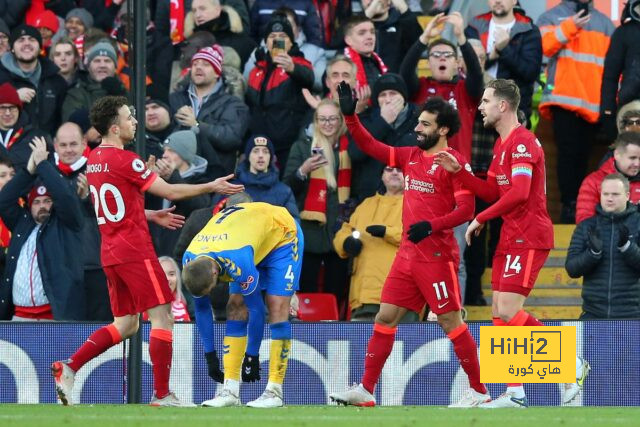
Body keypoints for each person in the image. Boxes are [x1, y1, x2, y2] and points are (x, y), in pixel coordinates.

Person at [50, 95, 244, 407]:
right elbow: (169, 191)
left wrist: (150, 215)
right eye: (129, 117)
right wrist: (211, 186)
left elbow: (116, 205)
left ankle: (69, 367)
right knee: (163, 316)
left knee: (126, 324)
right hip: (135, 250)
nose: (135, 122)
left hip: (111, 252)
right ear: (115, 127)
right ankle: (163, 394)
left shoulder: (95, 159)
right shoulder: (126, 160)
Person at [434, 78, 590, 407]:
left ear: (503, 106)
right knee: (497, 312)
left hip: (530, 234)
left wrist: (479, 218)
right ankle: (515, 393)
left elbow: (519, 193)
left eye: (487, 101)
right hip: (510, 235)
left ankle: (571, 364)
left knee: (508, 309)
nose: (481, 107)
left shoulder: (523, 143)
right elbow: (493, 192)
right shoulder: (501, 146)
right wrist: (459, 172)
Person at [330, 84, 488, 407]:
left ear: (443, 129)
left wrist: (431, 225)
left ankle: (479, 392)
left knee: (450, 322)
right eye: (418, 122)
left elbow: (466, 211)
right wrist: (350, 116)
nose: (417, 128)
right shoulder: (410, 156)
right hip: (406, 256)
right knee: (385, 318)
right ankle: (366, 389)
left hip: (436, 258)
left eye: (425, 124)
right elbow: (370, 145)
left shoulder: (454, 163)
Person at [182, 201, 303, 408]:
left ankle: (274, 390)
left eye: (212, 287)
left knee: (276, 306)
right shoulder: (190, 259)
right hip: (247, 236)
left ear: (214, 273)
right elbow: (202, 308)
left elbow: (256, 308)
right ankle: (230, 389)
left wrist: (252, 355)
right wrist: (210, 355)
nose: (212, 292)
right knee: (234, 305)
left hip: (282, 234)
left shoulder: (237, 260)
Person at [537, 0, 615, 223]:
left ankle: (581, 208)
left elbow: (613, 69)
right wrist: (570, 26)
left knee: (585, 159)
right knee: (568, 157)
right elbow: (544, 47)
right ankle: (569, 207)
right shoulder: (552, 17)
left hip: (593, 106)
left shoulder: (606, 24)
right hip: (564, 101)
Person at [0, 137, 84, 321]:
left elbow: (65, 197)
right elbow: (3, 200)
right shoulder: (22, 222)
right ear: (29, 206)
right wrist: (29, 171)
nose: (42, 206)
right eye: (36, 202)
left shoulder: (66, 223)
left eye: (47, 200)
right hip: (19, 317)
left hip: (54, 318)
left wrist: (43, 165)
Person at [283, 99, 351, 310]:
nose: (328, 124)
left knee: (337, 289)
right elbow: (287, 187)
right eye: (323, 119)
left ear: (340, 120)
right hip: (310, 232)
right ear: (316, 120)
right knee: (307, 289)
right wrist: (302, 170)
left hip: (339, 228)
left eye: (332, 119)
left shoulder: (350, 148)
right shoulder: (302, 147)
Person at [399, 12, 483, 162]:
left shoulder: (465, 90)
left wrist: (461, 38)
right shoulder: (420, 87)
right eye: (436, 55)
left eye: (448, 54)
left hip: (457, 168)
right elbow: (405, 71)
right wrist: (424, 38)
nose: (442, 57)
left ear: (457, 63)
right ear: (428, 63)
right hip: (424, 167)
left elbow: (476, 73)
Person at [333, 165, 405, 321]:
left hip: (400, 299)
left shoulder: (417, 204)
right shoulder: (366, 205)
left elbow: (419, 239)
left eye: (399, 170)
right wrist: (346, 242)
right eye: (388, 169)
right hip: (364, 297)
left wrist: (387, 232)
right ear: (381, 176)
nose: (394, 173)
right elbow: (344, 231)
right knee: (363, 345)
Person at [566, 173, 640, 319]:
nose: (609, 198)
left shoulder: (638, 224)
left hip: (632, 315)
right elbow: (571, 269)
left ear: (627, 195)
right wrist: (592, 253)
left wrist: (627, 248)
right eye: (605, 194)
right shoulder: (587, 226)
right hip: (593, 314)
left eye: (615, 194)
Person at [245, 15, 314, 171]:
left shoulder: (300, 63)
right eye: (272, 37)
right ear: (266, 42)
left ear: (291, 41)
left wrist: (292, 68)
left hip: (286, 144)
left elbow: (308, 78)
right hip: (260, 144)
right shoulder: (256, 69)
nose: (277, 41)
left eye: (282, 37)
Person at [170, 44, 250, 177]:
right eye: (195, 64)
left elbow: (231, 138)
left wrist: (196, 125)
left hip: (214, 177)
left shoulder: (232, 103)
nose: (198, 67)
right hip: (178, 175)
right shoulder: (176, 97)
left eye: (206, 64)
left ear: (217, 73)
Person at [465, 0, 542, 122]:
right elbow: (465, 67)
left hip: (513, 109)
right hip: (476, 107)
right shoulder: (474, 27)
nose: (498, 1)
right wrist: (492, 56)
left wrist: (504, 50)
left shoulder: (528, 30)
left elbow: (530, 72)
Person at [0, 25, 67, 136]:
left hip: (48, 146)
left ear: (40, 47)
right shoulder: (1, 77)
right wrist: (12, 97)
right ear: (12, 48)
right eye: (21, 40)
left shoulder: (56, 80)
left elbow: (62, 119)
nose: (26, 43)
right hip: (9, 148)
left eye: (32, 39)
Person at [576, 131, 640, 224]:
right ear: (617, 154)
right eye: (632, 158)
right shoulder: (593, 181)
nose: (637, 164)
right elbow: (584, 222)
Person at [599, 0, 640, 142]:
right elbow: (610, 76)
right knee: (629, 158)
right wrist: (607, 111)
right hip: (631, 109)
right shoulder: (624, 32)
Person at [234, 135, 298, 218]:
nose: (261, 155)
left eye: (265, 151)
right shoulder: (232, 188)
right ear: (248, 156)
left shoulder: (284, 192)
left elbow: (294, 225)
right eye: (256, 151)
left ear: (270, 157)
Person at [62, 41, 127, 121]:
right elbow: (70, 123)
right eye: (97, 61)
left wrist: (121, 95)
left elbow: (134, 122)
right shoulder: (76, 94)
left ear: (115, 68)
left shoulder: (125, 90)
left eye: (107, 61)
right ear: (88, 67)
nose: (102, 65)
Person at [360, 0, 422, 73]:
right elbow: (345, 45)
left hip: (397, 82)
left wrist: (404, 10)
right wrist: (367, 15)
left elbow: (419, 43)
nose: (374, 2)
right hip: (364, 82)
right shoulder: (349, 25)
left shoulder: (403, 25)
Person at [0, 82, 51, 171]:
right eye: (2, 108)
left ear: (19, 110)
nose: (7, 113)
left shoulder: (36, 138)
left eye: (12, 108)